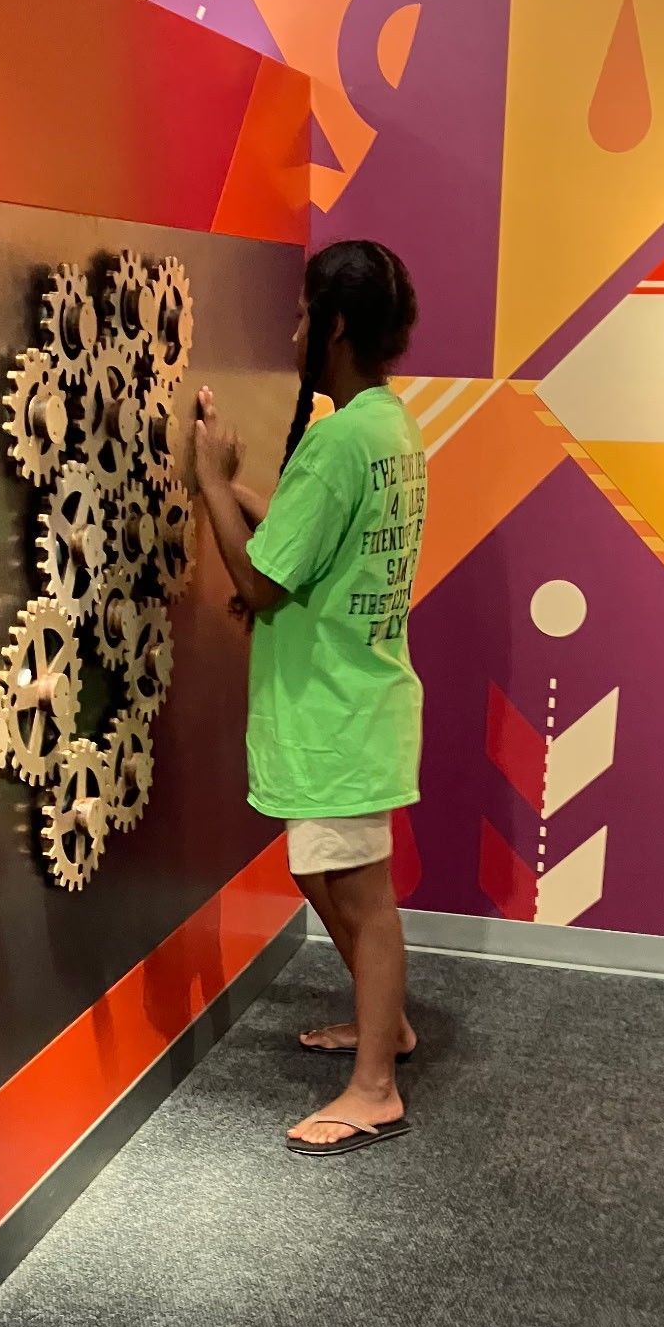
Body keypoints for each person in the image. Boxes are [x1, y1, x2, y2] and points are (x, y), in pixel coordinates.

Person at [193, 240, 426, 1158]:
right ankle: (387, 1026)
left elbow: (260, 586)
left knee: (362, 897)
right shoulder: (383, 426)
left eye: (300, 317)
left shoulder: (336, 439)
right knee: (321, 871)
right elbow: (305, 534)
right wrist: (244, 493)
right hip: (351, 701)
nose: (293, 332)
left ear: (331, 325)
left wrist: (210, 483)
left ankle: (376, 1085)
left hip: (340, 707)